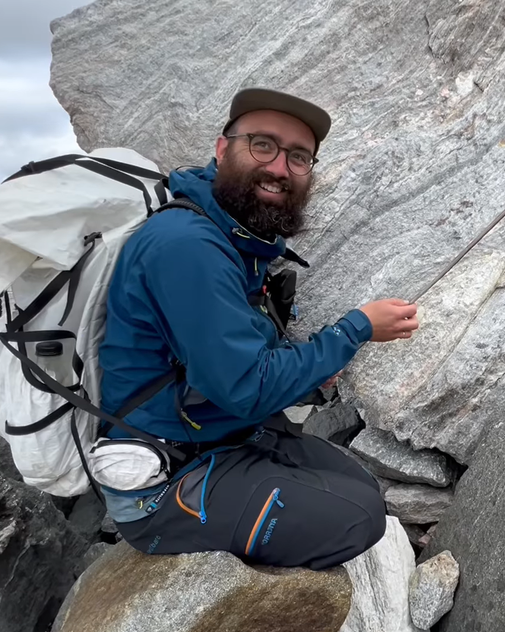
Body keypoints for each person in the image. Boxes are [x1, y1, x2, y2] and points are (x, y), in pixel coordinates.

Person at [96, 88, 418, 570]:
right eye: (262, 145)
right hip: (165, 477)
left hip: (223, 436)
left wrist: (310, 372)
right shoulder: (187, 246)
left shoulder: (235, 236)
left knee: (360, 485)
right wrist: (355, 330)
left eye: (298, 157)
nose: (279, 167)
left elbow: (240, 354)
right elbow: (247, 386)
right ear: (223, 150)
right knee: (360, 519)